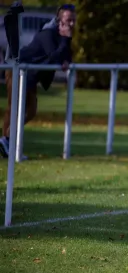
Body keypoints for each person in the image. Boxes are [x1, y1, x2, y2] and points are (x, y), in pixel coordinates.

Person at [0, 4, 76, 158]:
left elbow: (66, 57)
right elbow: (53, 58)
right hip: (18, 70)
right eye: (69, 20)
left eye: (73, 20)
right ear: (59, 21)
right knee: (16, 109)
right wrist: (65, 40)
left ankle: (6, 141)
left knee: (30, 111)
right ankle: (7, 142)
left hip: (30, 75)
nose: (72, 24)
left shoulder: (62, 37)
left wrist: (65, 45)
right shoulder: (48, 34)